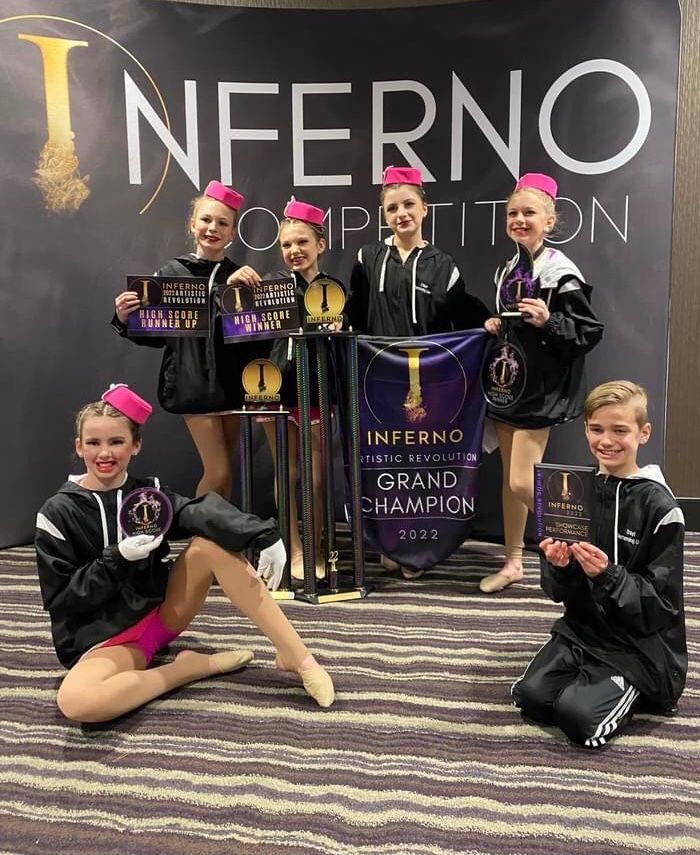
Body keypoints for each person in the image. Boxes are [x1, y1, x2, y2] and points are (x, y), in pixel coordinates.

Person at [34, 383, 334, 724]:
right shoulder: (57, 513)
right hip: (106, 643)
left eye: (116, 441)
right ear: (79, 447)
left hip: (161, 617)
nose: (105, 453)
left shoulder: (149, 494)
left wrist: (264, 535)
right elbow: (61, 599)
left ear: (136, 445)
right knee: (78, 702)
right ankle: (186, 670)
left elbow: (199, 511)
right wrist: (115, 559)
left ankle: (298, 656)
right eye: (94, 443)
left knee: (209, 545)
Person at [511, 381, 686, 747]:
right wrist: (558, 566)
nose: (607, 440)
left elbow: (662, 607)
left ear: (644, 433)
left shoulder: (661, 509)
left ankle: (637, 689)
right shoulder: (574, 491)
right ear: (585, 429)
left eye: (620, 430)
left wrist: (607, 575)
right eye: (597, 429)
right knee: (530, 698)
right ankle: (588, 677)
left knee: (578, 720)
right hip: (582, 631)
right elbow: (556, 593)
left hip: (638, 646)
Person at [349, 165, 490, 578]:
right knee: (384, 463)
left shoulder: (443, 265)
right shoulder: (367, 257)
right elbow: (355, 313)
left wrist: (489, 323)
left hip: (428, 382)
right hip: (378, 378)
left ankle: (420, 544)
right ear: (384, 214)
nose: (401, 213)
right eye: (392, 207)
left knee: (422, 465)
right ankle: (389, 543)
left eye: (409, 204)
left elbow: (463, 316)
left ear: (425, 208)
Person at [479, 172, 604, 593]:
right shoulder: (507, 268)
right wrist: (499, 325)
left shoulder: (560, 270)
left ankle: (589, 541)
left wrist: (550, 321)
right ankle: (513, 562)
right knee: (508, 483)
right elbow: (516, 326)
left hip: (541, 390)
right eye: (513, 212)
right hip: (508, 386)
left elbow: (587, 331)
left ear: (549, 221)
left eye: (529, 212)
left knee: (521, 481)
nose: (519, 219)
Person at [111, 180, 264, 500]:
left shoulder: (241, 275)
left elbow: (249, 335)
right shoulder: (172, 272)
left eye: (223, 223)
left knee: (225, 475)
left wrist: (235, 293)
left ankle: (217, 541)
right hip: (192, 386)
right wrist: (123, 319)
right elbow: (159, 336)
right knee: (217, 469)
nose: (213, 228)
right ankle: (197, 536)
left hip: (233, 387)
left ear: (233, 232)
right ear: (193, 224)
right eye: (206, 220)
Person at [260, 197, 345, 580]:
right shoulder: (271, 286)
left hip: (317, 389)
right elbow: (242, 325)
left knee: (316, 475)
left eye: (302, 243)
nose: (294, 251)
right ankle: (293, 547)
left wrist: (340, 329)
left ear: (320, 245)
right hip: (275, 388)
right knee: (288, 471)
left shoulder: (334, 289)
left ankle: (319, 544)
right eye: (286, 245)